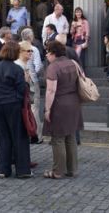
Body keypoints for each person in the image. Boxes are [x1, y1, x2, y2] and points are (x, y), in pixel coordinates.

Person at [0, 41, 31, 179]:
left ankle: (3, 169)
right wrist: (25, 85)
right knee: (19, 136)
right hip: (13, 104)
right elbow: (21, 89)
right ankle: (22, 170)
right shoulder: (16, 69)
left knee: (3, 137)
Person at [43, 41, 83, 179]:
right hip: (74, 102)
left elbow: (50, 90)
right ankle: (72, 169)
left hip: (59, 103)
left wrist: (47, 109)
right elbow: (82, 79)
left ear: (53, 53)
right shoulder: (73, 63)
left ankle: (57, 171)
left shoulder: (53, 67)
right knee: (71, 136)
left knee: (58, 138)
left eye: (47, 52)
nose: (46, 55)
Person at [21, 28, 44, 142]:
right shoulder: (33, 49)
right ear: (30, 37)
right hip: (31, 80)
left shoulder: (17, 47)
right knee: (34, 107)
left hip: (19, 80)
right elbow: (38, 66)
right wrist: (34, 74)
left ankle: (24, 134)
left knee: (21, 107)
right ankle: (36, 135)